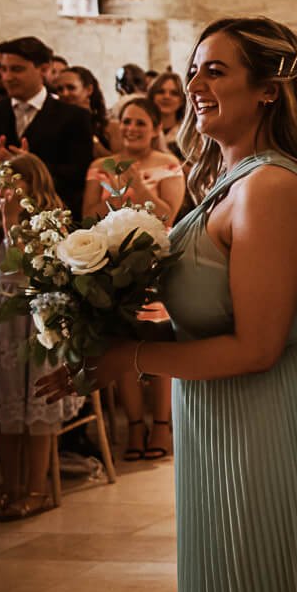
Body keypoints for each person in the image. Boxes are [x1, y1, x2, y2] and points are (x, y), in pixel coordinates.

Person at [40, 17, 297, 592]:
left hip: (273, 425)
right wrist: (104, 331)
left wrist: (130, 357)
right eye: (194, 69)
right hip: (228, 419)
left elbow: (257, 347)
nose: (195, 83)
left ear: (269, 91)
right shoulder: (228, 180)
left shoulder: (270, 189)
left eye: (216, 70)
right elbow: (208, 325)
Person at [0, 152, 83, 520]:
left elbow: (20, 259)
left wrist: (11, 218)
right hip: (0, 323)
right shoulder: (3, 219)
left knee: (35, 410)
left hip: (35, 322)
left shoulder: (45, 220)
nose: (8, 189)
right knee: (7, 409)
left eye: (15, 181)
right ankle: (10, 487)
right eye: (3, 182)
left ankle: (36, 488)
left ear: (34, 184)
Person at [83, 94, 186, 462]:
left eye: (141, 122)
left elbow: (167, 215)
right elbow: (89, 214)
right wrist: (115, 189)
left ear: (156, 128)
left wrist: (136, 186)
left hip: (154, 266)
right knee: (122, 347)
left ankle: (160, 423)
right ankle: (134, 425)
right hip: (111, 266)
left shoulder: (168, 164)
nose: (132, 129)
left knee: (157, 346)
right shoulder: (100, 165)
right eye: (126, 121)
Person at [0, 36, 93, 227]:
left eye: (17, 69)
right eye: (3, 69)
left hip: (52, 223)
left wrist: (31, 168)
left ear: (44, 69)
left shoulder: (75, 117)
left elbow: (78, 173)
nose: (7, 77)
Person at [53, 65, 112, 158]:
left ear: (89, 90)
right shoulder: (54, 124)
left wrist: (89, 134)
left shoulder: (109, 127)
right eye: (60, 89)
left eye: (71, 88)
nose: (64, 94)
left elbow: (117, 166)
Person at [145, 71, 187, 158]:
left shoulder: (190, 134)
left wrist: (165, 153)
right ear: (152, 96)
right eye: (161, 92)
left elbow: (198, 170)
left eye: (174, 93)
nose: (167, 97)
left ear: (182, 100)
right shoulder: (139, 129)